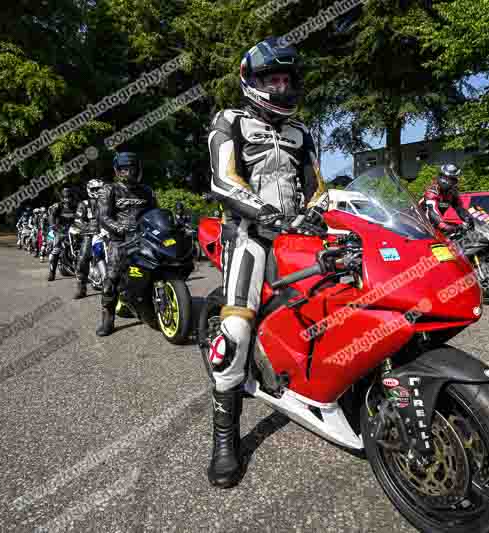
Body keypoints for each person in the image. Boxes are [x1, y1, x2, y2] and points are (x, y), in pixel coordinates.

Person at [205, 37, 327, 488]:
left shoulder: (302, 132)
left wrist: (318, 211)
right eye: (271, 78)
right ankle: (224, 440)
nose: (280, 86)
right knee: (235, 332)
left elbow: (318, 184)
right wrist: (263, 212)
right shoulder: (229, 120)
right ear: (251, 81)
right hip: (248, 234)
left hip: (299, 233)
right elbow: (223, 179)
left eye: (286, 79)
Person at [96, 152, 156, 336]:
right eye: (123, 169)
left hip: (144, 237)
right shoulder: (110, 190)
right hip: (119, 240)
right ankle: (108, 319)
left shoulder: (147, 191)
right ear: (117, 170)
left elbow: (156, 212)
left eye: (131, 168)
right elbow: (103, 216)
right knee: (111, 279)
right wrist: (119, 227)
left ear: (138, 169)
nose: (128, 172)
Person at [418, 164, 472, 233]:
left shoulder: (452, 192)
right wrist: (446, 227)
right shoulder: (432, 192)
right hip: (418, 226)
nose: (456, 182)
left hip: (432, 225)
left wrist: (468, 219)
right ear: (445, 179)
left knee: (461, 232)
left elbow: (460, 209)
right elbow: (432, 213)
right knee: (451, 231)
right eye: (453, 179)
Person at [72, 179, 103, 299]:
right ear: (89, 190)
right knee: (83, 256)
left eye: (99, 189)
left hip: (107, 233)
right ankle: (81, 287)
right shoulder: (84, 204)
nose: (97, 191)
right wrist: (89, 228)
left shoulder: (108, 202)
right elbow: (78, 220)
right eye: (94, 189)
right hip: (90, 234)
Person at [47, 188, 79, 281]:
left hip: (74, 229)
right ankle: (52, 272)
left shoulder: (76, 206)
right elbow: (51, 216)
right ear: (62, 198)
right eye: (65, 197)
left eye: (69, 197)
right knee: (56, 249)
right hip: (61, 229)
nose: (67, 199)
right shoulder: (58, 206)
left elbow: (81, 216)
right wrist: (53, 225)